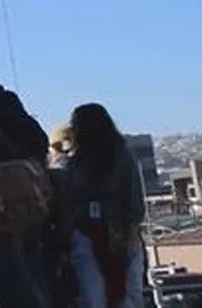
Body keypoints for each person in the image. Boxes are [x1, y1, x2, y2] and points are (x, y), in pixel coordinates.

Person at [61, 104, 146, 308]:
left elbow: (133, 198)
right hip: (88, 235)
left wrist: (131, 236)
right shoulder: (75, 162)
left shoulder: (120, 156)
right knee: (95, 295)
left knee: (126, 295)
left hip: (118, 234)